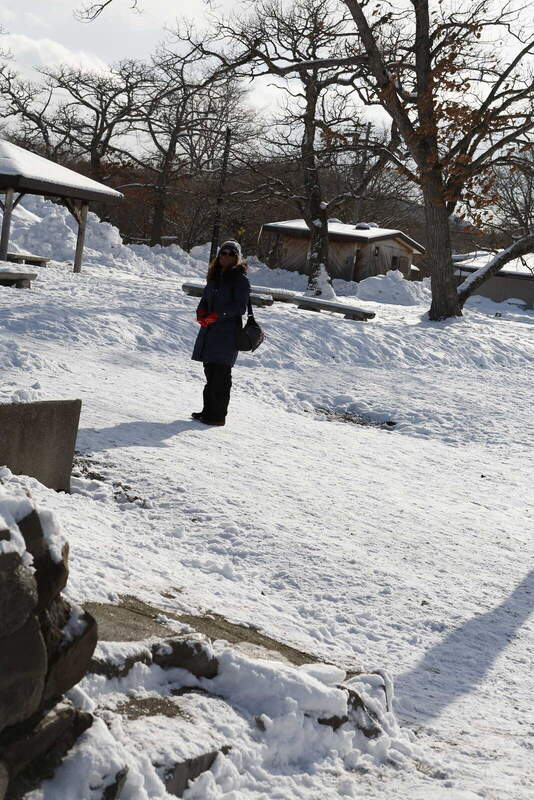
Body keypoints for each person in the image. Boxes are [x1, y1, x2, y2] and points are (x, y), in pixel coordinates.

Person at [191, 240, 251, 426]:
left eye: (231, 254)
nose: (226, 257)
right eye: (223, 253)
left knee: (221, 375)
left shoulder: (240, 280)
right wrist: (201, 312)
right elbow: (205, 299)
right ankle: (208, 411)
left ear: (237, 258)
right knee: (210, 372)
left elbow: (240, 307)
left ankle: (217, 416)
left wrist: (217, 315)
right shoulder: (215, 276)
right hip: (210, 331)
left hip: (227, 333)